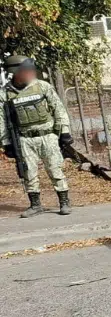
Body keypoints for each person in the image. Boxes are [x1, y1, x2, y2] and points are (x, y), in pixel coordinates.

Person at [0, 56, 74, 217]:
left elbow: (58, 109)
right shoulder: (5, 93)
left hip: (47, 135)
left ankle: (64, 202)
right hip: (24, 139)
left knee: (55, 169)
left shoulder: (42, 86)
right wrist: (6, 143)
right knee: (28, 173)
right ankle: (35, 205)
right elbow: (2, 120)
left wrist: (65, 131)